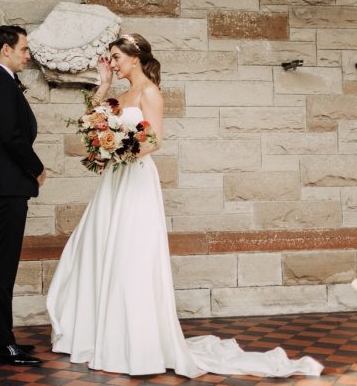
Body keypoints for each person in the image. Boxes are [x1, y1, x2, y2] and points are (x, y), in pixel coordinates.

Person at [46, 33, 323, 378]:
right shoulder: (121, 94)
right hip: (114, 181)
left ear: (134, 57)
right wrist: (102, 86)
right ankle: (103, 333)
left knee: (131, 254)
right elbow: (95, 122)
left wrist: (118, 151)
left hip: (135, 179)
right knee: (100, 250)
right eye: (110, 59)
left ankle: (136, 344)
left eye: (115, 58)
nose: (112, 63)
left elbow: (155, 141)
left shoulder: (150, 92)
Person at [0, 25, 46, 366]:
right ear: (6, 49)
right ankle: (2, 344)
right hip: (7, 184)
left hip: (4, 184)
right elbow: (11, 135)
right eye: (23, 49)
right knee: (3, 265)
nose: (27, 55)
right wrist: (36, 168)